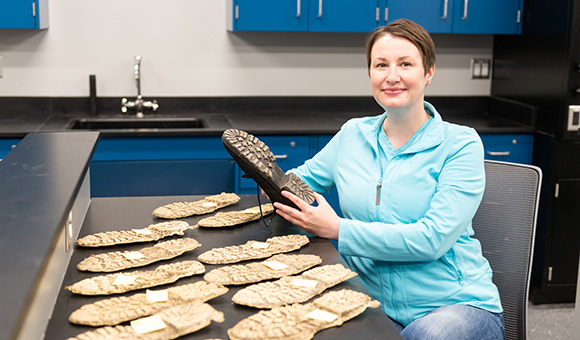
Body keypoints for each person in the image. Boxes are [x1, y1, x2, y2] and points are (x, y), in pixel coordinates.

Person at [273, 19, 505, 340]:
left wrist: (336, 228)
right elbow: (299, 184)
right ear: (370, 73)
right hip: (372, 303)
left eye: (405, 64)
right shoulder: (353, 134)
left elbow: (432, 239)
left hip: (453, 306)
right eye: (381, 65)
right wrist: (267, 174)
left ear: (429, 72)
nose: (391, 76)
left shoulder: (460, 144)